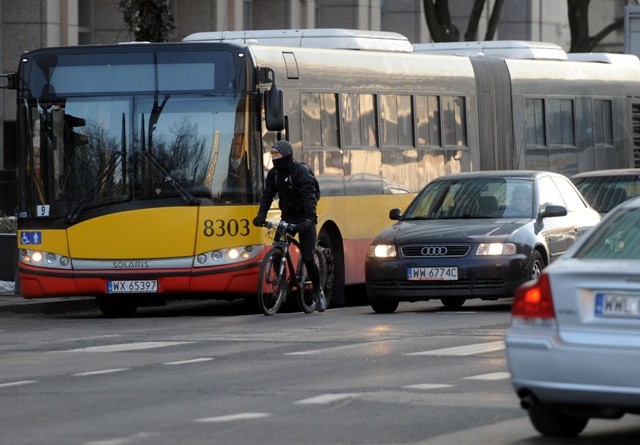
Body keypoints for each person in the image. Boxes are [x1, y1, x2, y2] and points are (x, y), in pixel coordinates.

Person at [253, 140, 327, 312]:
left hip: (305, 219)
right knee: (277, 247)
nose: (273, 158)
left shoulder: (301, 173)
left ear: (285, 156)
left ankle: (318, 291)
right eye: (271, 155)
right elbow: (267, 195)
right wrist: (261, 214)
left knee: (308, 257)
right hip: (287, 217)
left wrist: (309, 219)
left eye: (276, 155)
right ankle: (281, 279)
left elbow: (309, 197)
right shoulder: (274, 174)